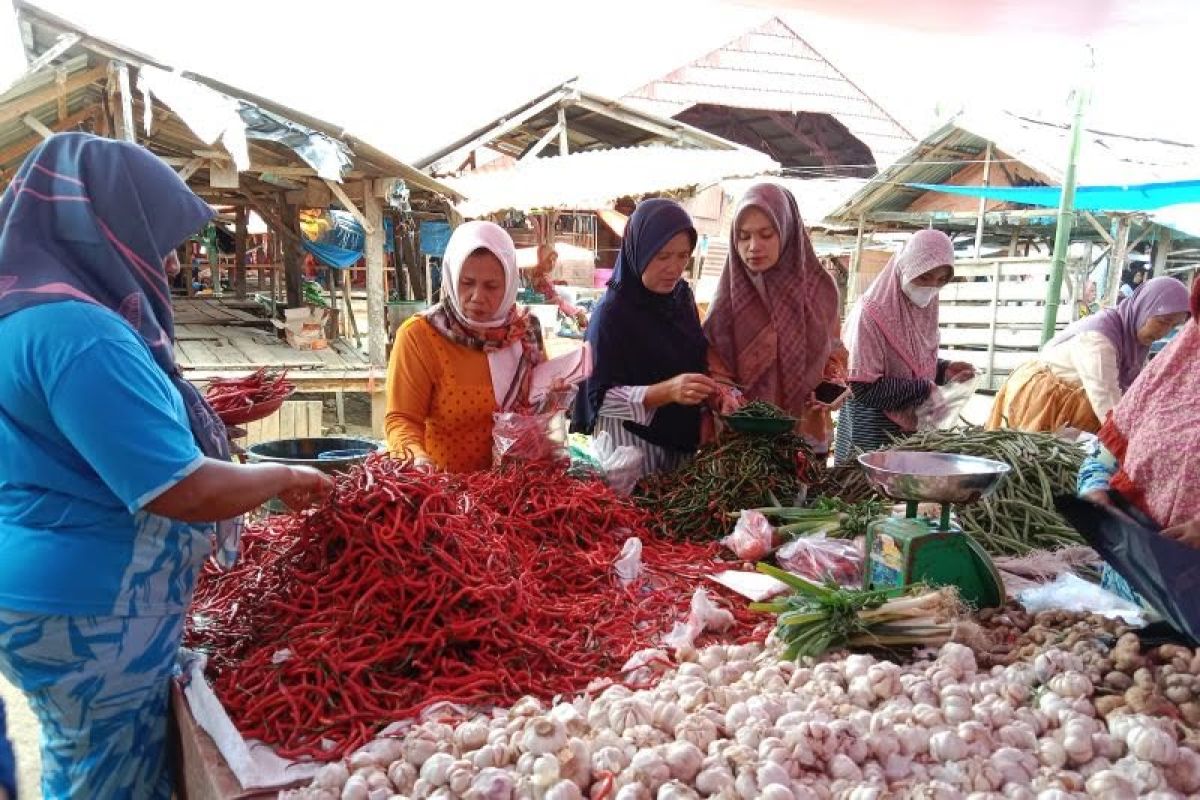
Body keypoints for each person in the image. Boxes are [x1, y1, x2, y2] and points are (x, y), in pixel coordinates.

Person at [0, 133, 333, 799]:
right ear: (109, 225)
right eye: (162, 234)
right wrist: (285, 477)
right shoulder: (81, 334)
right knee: (108, 781)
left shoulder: (26, 313)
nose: (175, 260)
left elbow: (87, 444)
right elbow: (180, 488)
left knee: (89, 762)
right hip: (93, 604)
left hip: (51, 585)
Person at [386, 221, 545, 472]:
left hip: (517, 494)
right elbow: (402, 419)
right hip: (443, 497)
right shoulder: (420, 336)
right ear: (450, 276)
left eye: (491, 286)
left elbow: (539, 409)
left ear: (511, 283)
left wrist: (556, 397)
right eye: (467, 282)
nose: (477, 296)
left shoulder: (527, 332)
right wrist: (415, 457)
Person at [572, 198, 714, 478]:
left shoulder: (682, 298)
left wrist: (709, 401)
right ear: (639, 250)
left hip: (681, 443)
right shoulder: (611, 313)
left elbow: (695, 356)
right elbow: (598, 398)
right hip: (629, 451)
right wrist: (665, 391)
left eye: (683, 256)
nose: (674, 268)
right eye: (662, 256)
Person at [1078, 277, 1200, 601]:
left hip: (1191, 603)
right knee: (1116, 648)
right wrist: (1094, 489)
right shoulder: (1171, 371)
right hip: (1129, 581)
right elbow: (1102, 454)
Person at [704, 183, 846, 456]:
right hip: (744, 439)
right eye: (743, 237)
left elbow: (835, 350)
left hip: (804, 431)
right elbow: (714, 362)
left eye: (766, 235)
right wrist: (727, 395)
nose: (753, 247)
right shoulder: (728, 296)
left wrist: (834, 382)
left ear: (787, 230)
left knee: (802, 498)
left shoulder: (820, 289)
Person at [834, 229, 976, 463]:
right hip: (871, 431)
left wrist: (943, 369)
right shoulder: (870, 316)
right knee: (866, 490)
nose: (931, 287)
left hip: (907, 434)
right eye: (923, 277)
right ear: (904, 269)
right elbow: (862, 389)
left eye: (940, 280)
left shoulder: (924, 311)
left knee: (904, 490)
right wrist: (922, 389)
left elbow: (910, 362)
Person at [987, 276, 1190, 434]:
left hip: (1077, 401)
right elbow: (1108, 405)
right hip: (1045, 399)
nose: (1165, 332)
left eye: (1174, 326)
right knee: (1031, 465)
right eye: (1163, 321)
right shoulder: (1099, 340)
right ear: (1144, 307)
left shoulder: (1134, 339)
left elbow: (1138, 392)